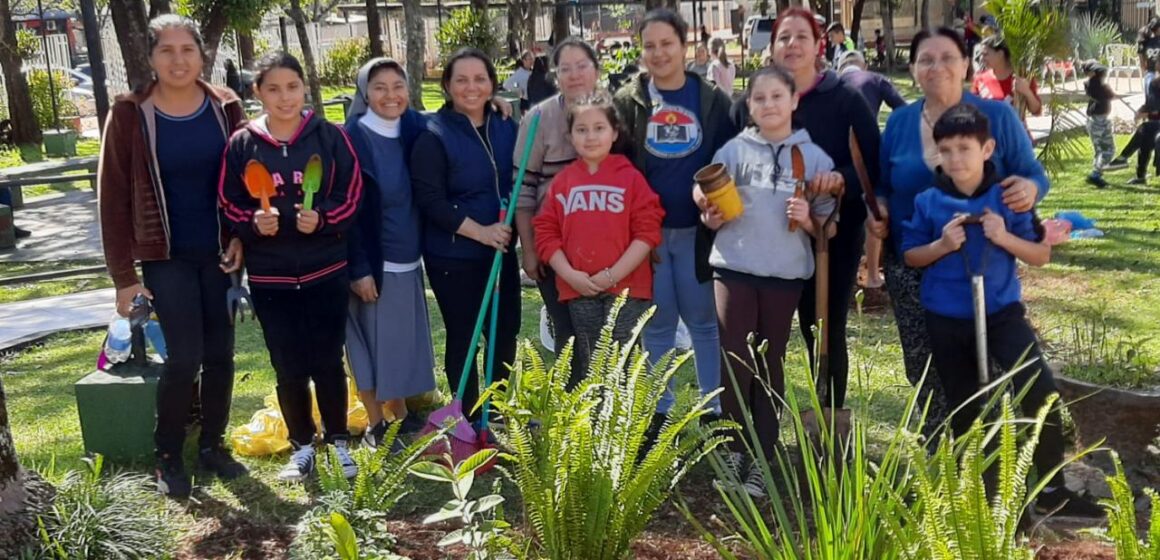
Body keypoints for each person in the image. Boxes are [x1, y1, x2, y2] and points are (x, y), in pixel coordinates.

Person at [901, 103, 1103, 517]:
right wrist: (941, 245)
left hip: (1001, 315)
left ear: (987, 148)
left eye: (965, 148)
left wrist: (1003, 236)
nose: (956, 159)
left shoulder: (1009, 197)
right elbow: (911, 257)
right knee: (965, 404)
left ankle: (1051, 491)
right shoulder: (928, 201)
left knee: (1040, 392)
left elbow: (1040, 254)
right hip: (947, 318)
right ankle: (976, 492)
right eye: (947, 150)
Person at [872, 27, 1049, 437]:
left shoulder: (997, 117)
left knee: (997, 365)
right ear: (913, 69)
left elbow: (1034, 174)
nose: (937, 67)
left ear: (966, 65)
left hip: (980, 266)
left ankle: (1007, 456)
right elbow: (883, 184)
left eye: (948, 57)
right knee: (929, 368)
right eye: (926, 59)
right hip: (914, 263)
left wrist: (1031, 188)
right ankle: (948, 459)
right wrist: (878, 209)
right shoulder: (899, 122)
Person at [98, 14, 248, 499]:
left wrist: (242, 237)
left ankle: (212, 444)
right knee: (184, 357)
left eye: (187, 49)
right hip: (166, 257)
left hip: (220, 255)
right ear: (150, 57)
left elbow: (249, 179)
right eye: (167, 50)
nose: (178, 59)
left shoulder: (225, 107)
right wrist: (124, 277)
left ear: (202, 55)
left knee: (222, 355)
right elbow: (112, 198)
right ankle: (167, 453)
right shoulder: (129, 114)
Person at [218, 52, 363, 483]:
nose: (284, 97)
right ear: (257, 92)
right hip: (271, 277)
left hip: (325, 271)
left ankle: (337, 441)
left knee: (328, 361)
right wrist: (250, 224)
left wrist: (323, 219)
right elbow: (228, 202)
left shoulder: (329, 137)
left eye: (292, 87)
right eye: (273, 88)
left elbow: (352, 194)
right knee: (287, 365)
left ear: (304, 88)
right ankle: (302, 447)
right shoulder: (242, 145)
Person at [730, 7, 879, 413]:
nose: (792, 44)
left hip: (830, 235)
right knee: (765, 331)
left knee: (824, 329)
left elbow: (871, 159)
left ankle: (827, 420)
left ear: (819, 45)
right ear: (772, 47)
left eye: (801, 37)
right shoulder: (755, 100)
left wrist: (839, 179)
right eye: (783, 37)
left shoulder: (845, 99)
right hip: (767, 235)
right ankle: (762, 423)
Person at [702, 65, 836, 498]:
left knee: (768, 364)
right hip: (734, 266)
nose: (769, 105)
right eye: (759, 99)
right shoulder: (736, 149)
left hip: (784, 275)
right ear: (750, 105)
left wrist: (811, 220)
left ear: (794, 100)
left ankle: (761, 456)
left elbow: (828, 226)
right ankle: (735, 449)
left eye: (777, 96)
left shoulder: (813, 158)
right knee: (734, 361)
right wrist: (708, 210)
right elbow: (704, 188)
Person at [613, 8, 739, 424]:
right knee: (658, 322)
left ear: (684, 47)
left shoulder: (713, 101)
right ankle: (659, 411)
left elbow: (729, 158)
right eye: (649, 45)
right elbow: (614, 162)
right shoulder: (629, 101)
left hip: (698, 233)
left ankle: (712, 408)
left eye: (667, 43)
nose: (658, 53)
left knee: (704, 320)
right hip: (647, 237)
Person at [411, 48, 519, 426]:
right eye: (461, 79)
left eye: (480, 79)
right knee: (465, 336)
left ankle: (498, 409)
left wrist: (500, 236)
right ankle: (468, 415)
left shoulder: (506, 124)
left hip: (502, 250)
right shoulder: (433, 134)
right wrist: (482, 232)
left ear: (492, 83)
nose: (471, 87)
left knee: (504, 332)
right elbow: (431, 201)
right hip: (454, 256)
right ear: (446, 85)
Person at [533, 91, 664, 379]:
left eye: (599, 128)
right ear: (570, 136)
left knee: (624, 364)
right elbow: (545, 233)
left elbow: (648, 231)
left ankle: (626, 424)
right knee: (593, 363)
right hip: (580, 289)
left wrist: (613, 275)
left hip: (627, 288)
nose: (590, 136)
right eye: (582, 130)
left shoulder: (630, 178)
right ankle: (595, 424)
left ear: (614, 133)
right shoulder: (563, 183)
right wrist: (570, 275)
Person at [343, 58, 436, 450]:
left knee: (395, 345)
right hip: (373, 262)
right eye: (379, 87)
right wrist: (360, 267)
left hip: (407, 257)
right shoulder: (353, 138)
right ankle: (377, 424)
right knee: (370, 344)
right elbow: (347, 211)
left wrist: (496, 105)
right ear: (365, 92)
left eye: (398, 85)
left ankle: (396, 418)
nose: (390, 95)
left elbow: (453, 120)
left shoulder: (412, 128)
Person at [514, 37, 601, 369]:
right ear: (555, 74)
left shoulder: (614, 113)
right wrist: (530, 249)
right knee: (569, 333)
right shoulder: (537, 120)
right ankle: (575, 414)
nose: (575, 75)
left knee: (612, 335)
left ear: (596, 70)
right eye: (566, 68)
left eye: (582, 66)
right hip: (555, 248)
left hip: (609, 247)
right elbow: (524, 189)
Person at [972, 35, 1043, 122]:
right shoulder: (980, 79)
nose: (982, 59)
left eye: (986, 54)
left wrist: (1027, 92)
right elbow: (972, 110)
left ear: (1000, 54)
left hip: (1017, 134)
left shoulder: (1022, 77)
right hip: (988, 134)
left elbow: (1036, 111)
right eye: (981, 55)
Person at [838, 50, 907, 119]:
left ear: (839, 69)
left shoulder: (831, 84)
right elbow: (903, 108)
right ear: (865, 66)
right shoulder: (877, 79)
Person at [1081, 61, 1116, 189]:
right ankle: (1095, 175)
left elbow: (1109, 94)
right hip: (1096, 121)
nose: (1102, 74)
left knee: (1109, 150)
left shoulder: (1099, 84)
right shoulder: (1093, 84)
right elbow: (1102, 70)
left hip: (1103, 119)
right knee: (1102, 151)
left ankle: (1096, 174)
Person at [1138, 18, 1160, 96]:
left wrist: (1145, 73)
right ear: (1158, 29)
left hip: (1149, 74)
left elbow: (1141, 61)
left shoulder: (1144, 41)